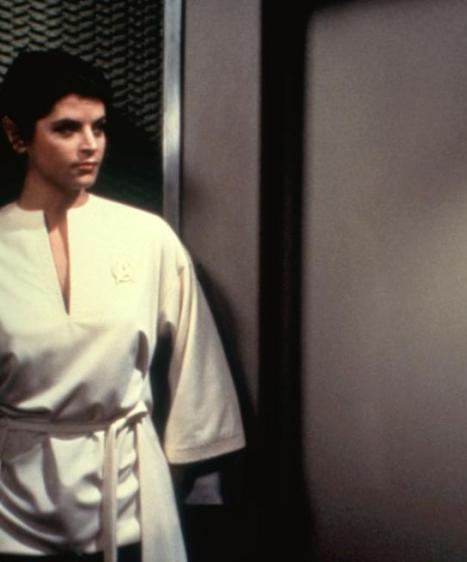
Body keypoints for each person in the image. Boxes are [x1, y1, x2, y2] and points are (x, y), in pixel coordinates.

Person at [0, 50, 245, 562]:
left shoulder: (146, 237)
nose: (90, 144)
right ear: (18, 135)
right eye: (66, 128)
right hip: (11, 508)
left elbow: (198, 368)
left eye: (99, 127)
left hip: (127, 501)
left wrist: (177, 473)